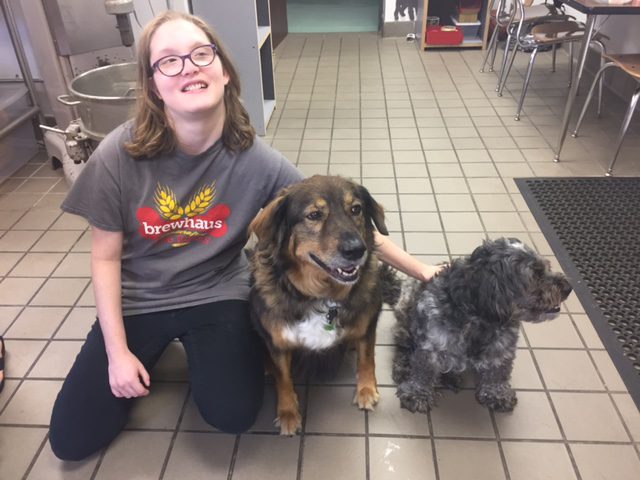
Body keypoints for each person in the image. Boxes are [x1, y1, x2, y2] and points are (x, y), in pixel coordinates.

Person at [48, 10, 442, 461]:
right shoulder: (118, 152)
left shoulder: (255, 159)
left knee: (234, 414)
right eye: (169, 61)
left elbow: (346, 231)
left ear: (224, 71)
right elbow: (103, 258)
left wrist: (423, 269)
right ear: (152, 84)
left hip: (215, 293)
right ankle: (145, 351)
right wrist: (117, 354)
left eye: (201, 53)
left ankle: (197, 351)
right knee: (71, 440)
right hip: (139, 299)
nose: (189, 67)